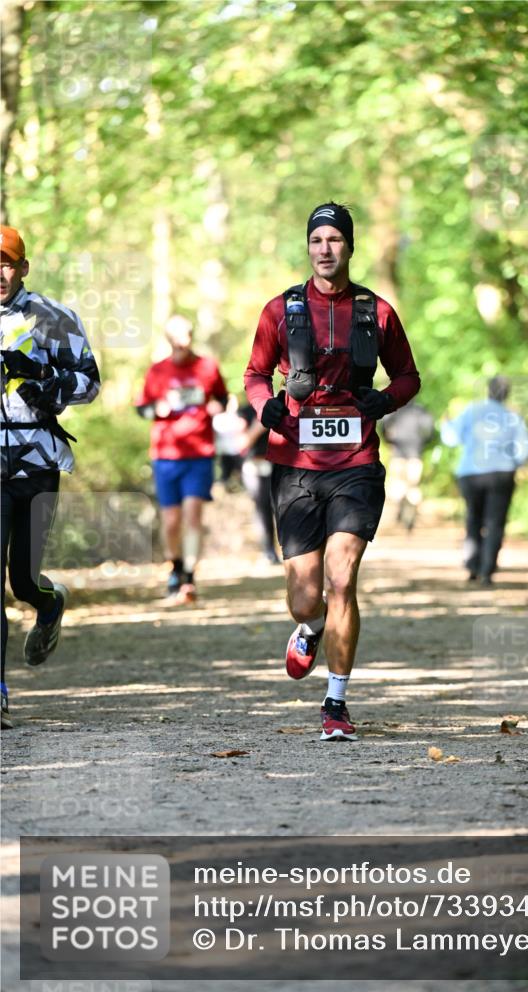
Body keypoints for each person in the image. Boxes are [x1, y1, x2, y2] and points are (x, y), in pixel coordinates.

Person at [244, 202, 420, 741]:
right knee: (305, 597)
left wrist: (382, 401)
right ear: (308, 247)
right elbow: (254, 373)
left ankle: (336, 702)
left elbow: (409, 377)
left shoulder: (377, 311)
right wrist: (266, 406)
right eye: (317, 239)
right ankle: (311, 625)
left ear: (349, 246)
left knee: (343, 577)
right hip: (295, 465)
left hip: (357, 464)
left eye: (335, 240)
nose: (326, 248)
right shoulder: (280, 309)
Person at [0, 225, 100, 730]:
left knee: (22, 580)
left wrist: (47, 383)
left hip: (38, 462)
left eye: (5, 262)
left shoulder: (52, 317)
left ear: (22, 268)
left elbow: (89, 380)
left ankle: (48, 600)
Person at [136, 314, 228, 604]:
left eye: (186, 335)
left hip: (199, 454)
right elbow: (141, 409)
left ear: (191, 337)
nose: (182, 341)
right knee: (171, 520)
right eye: (176, 336)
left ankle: (189, 575)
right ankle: (174, 566)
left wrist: (216, 407)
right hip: (165, 455)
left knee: (192, 515)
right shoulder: (157, 371)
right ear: (168, 339)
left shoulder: (207, 367)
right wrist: (158, 409)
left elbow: (223, 400)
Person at [441, 375, 528, 586]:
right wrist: (512, 462)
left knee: (474, 518)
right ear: (506, 394)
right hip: (502, 473)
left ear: (488, 391)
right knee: (495, 522)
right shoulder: (513, 417)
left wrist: (446, 425)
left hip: (471, 473)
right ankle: (488, 570)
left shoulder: (472, 410)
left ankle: (473, 566)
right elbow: (525, 449)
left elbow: (451, 439)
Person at [236, 400, 280, 565]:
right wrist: (259, 424)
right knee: (262, 510)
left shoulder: (280, 405)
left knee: (282, 508)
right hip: (255, 466)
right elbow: (241, 443)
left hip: (277, 465)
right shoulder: (245, 412)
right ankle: (268, 551)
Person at [381, 400, 435, 532]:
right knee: (413, 486)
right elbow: (430, 428)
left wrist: (389, 441)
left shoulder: (395, 408)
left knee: (399, 485)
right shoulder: (420, 410)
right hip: (415, 452)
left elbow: (383, 424)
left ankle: (401, 514)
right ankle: (409, 516)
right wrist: (423, 443)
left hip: (397, 451)